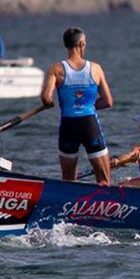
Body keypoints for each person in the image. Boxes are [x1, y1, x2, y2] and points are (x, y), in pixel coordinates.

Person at [40, 26, 114, 184]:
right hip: (89, 124)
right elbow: (108, 101)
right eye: (85, 43)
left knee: (68, 181)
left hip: (68, 126)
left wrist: (50, 102)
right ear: (80, 44)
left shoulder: (56, 69)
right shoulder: (96, 68)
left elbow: (46, 97)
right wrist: (89, 104)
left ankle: (69, 206)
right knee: (103, 181)